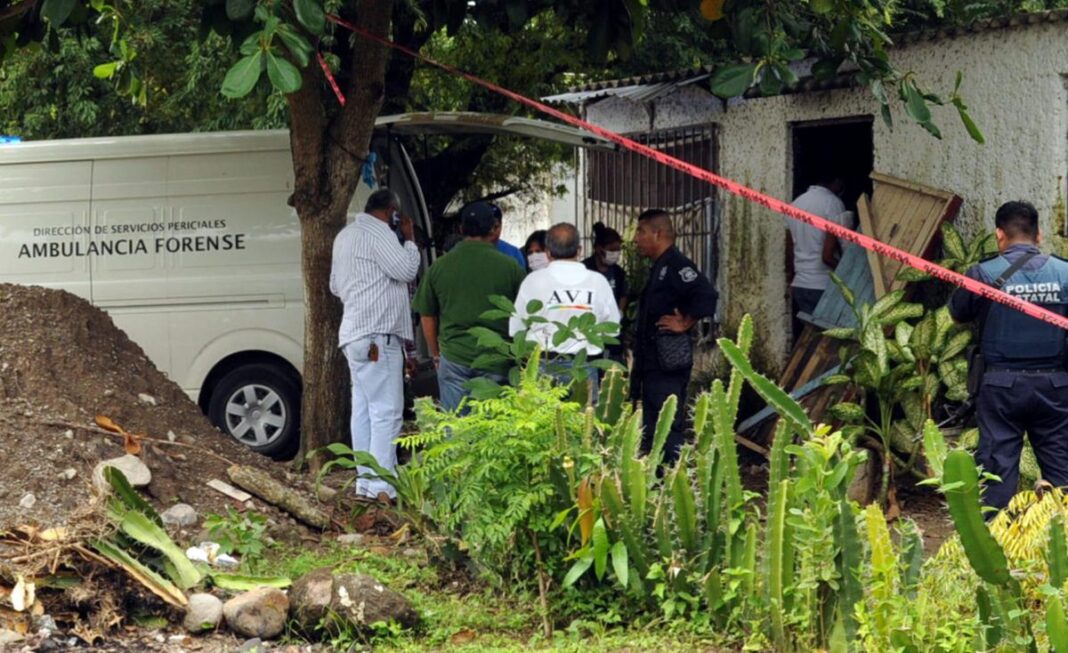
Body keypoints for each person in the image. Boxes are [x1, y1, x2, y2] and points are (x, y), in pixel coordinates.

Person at [948, 200, 1068, 511]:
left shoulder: (983, 274)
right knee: (1062, 470)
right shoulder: (1064, 273)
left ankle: (996, 545)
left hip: (1001, 387)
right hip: (1055, 387)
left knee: (997, 471)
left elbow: (958, 315)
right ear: (1039, 235)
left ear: (999, 235)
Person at [329, 188, 420, 503]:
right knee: (388, 412)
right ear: (392, 212)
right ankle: (383, 488)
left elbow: (335, 286)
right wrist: (408, 239)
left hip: (355, 334)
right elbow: (407, 270)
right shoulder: (380, 233)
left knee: (365, 411)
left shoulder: (345, 236)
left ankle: (365, 485)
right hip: (378, 336)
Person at [413, 201, 526, 412]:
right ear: (494, 229)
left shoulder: (439, 266)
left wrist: (436, 353)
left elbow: (427, 314)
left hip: (454, 357)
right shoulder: (511, 267)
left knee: (455, 428)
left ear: (461, 229)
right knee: (492, 430)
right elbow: (523, 315)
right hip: (497, 358)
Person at [631, 209, 718, 465]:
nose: (636, 238)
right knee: (653, 424)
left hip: (667, 361)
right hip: (652, 362)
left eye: (641, 231)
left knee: (667, 424)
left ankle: (677, 479)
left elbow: (707, 295)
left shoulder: (677, 265)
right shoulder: (660, 265)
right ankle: (658, 482)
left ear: (657, 233)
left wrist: (686, 322)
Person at [510, 223, 620, 398]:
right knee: (582, 423)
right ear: (579, 250)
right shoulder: (598, 282)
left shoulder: (533, 281)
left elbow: (516, 329)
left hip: (543, 366)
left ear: (547, 252)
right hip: (583, 367)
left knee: (543, 423)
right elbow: (613, 328)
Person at [785, 173, 849, 340]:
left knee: (810, 340)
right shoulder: (833, 204)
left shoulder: (795, 204)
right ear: (837, 181)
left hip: (801, 285)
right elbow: (827, 257)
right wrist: (848, 277)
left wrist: (792, 279)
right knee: (829, 342)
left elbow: (789, 250)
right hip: (823, 285)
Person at [583, 222, 629, 312]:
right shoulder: (584, 269)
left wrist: (619, 313)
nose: (615, 254)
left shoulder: (619, 272)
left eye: (618, 250)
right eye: (611, 250)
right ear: (598, 249)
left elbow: (623, 295)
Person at [489, 203, 527, 270]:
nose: (491, 231)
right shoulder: (468, 250)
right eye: (487, 227)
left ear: (501, 226)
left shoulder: (513, 253)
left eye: (495, 227)